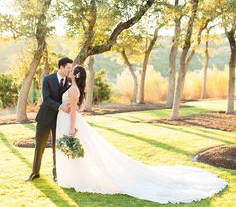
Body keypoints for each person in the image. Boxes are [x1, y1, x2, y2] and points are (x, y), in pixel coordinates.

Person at [56, 65, 227, 204]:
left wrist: (72, 129)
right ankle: (76, 177)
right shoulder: (75, 89)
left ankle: (78, 179)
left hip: (72, 123)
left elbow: (72, 112)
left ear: (76, 75)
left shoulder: (73, 90)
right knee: (83, 152)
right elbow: (77, 108)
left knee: (83, 151)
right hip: (71, 121)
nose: (69, 71)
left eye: (72, 70)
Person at [25, 57, 73, 182]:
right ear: (61, 67)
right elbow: (46, 98)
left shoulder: (70, 83)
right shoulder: (47, 79)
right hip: (44, 117)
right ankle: (35, 172)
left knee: (57, 147)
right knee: (39, 146)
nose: (70, 70)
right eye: (68, 68)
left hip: (60, 119)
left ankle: (56, 174)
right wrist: (60, 106)